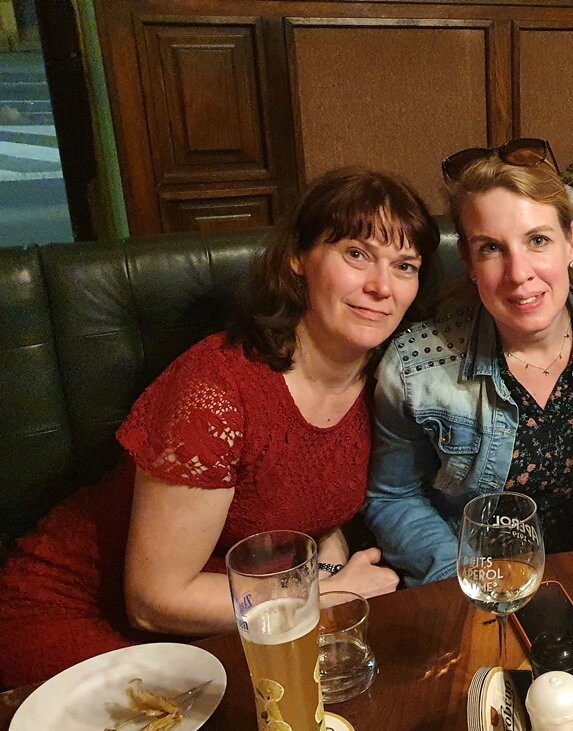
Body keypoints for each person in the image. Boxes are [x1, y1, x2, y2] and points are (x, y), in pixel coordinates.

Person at [0, 168, 432, 687]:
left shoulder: (386, 379)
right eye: (356, 254)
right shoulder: (216, 389)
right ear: (297, 258)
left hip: (228, 628)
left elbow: (313, 508)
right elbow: (154, 600)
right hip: (76, 611)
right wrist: (322, 596)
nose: (381, 286)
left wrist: (330, 574)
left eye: (404, 266)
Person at [365, 139, 573, 587]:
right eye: (491, 248)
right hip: (484, 584)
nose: (519, 273)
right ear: (468, 261)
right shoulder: (415, 366)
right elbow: (393, 496)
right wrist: (461, 579)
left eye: (538, 240)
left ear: (571, 241)